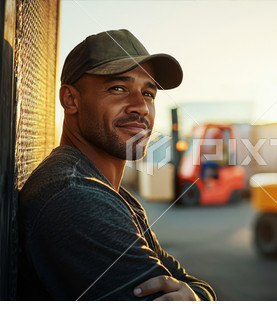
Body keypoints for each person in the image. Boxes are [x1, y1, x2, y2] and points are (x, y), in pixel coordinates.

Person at [18, 29, 216, 301]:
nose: (141, 107)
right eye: (118, 88)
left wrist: (199, 297)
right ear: (70, 100)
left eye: (148, 93)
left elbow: (185, 282)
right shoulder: (76, 195)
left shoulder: (113, 193)